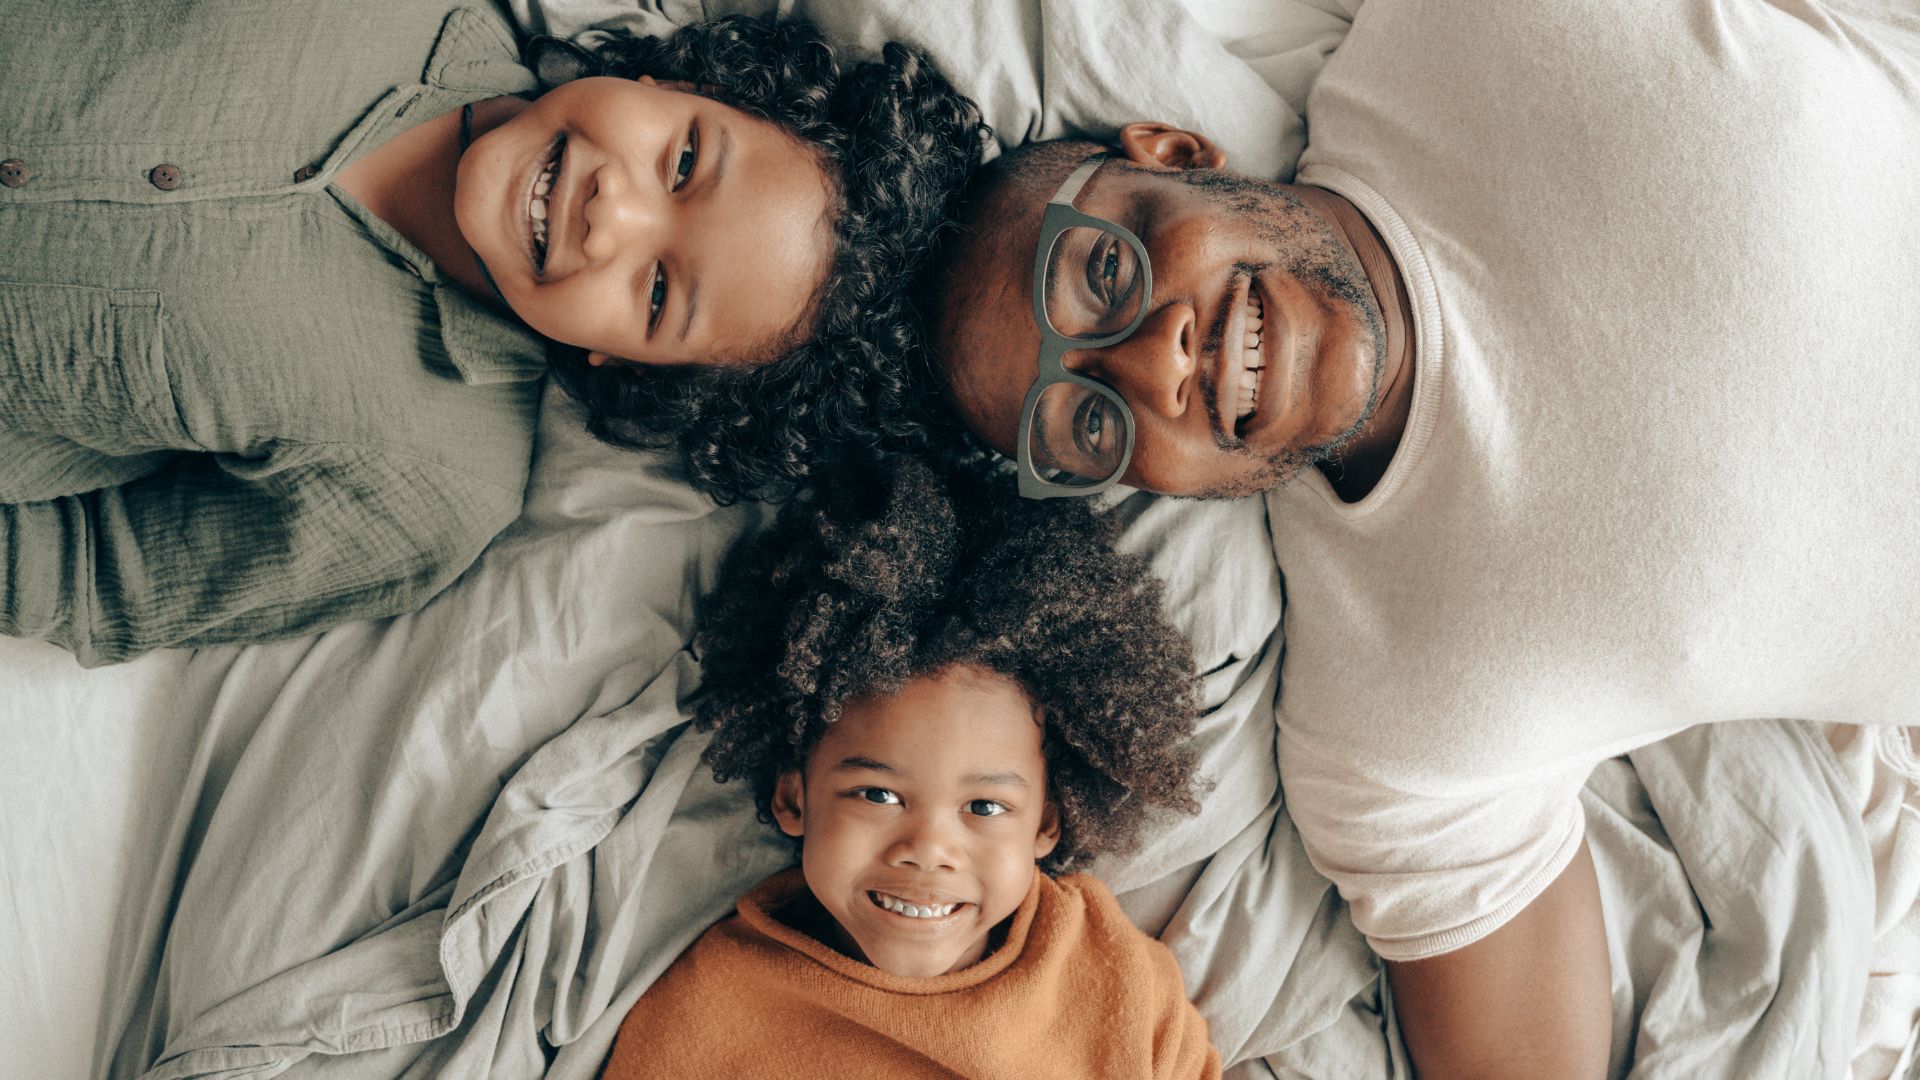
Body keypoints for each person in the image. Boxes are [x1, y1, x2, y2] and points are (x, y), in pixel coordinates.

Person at [910, 2, 1920, 1077]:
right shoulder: (1388, 724)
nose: (1156, 363)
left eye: (1103, 274)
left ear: (1174, 154)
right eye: (1093, 422)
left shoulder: (1461, 26)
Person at [0, 0, 983, 666]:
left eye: (654, 295)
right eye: (683, 160)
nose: (613, 215)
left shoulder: (430, 485)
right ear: (682, 81)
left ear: (628, 363)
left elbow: (94, 577)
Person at [599, 457, 1221, 1079]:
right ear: (794, 798)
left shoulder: (1114, 984)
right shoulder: (710, 1011)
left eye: (984, 808)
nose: (927, 849)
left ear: (1046, 823)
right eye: (877, 794)